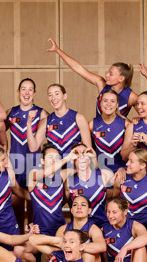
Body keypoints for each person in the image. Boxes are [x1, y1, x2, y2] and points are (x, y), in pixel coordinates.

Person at [47, 37, 137, 117]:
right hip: (97, 132)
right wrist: (57, 50)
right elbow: (79, 69)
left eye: (111, 74)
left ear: (121, 78)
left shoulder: (131, 97)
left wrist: (136, 120)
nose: (107, 75)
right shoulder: (102, 84)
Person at [7, 78, 48, 230]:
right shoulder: (11, 112)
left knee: (34, 208)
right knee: (16, 207)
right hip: (15, 164)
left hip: (34, 165)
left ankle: (34, 250)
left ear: (35, 93)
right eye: (23, 89)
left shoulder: (42, 112)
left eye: (30, 89)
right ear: (18, 92)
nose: (26, 93)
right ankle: (18, 243)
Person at [26, 83, 92, 158]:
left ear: (64, 96)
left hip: (73, 167)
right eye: (50, 95)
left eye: (57, 94)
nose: (53, 98)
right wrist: (28, 123)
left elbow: (89, 151)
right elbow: (33, 147)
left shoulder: (79, 118)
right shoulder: (46, 122)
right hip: (55, 166)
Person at [66, 143, 115, 229]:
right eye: (77, 154)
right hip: (81, 229)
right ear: (72, 159)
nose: (81, 156)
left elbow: (117, 196)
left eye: (85, 153)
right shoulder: (69, 182)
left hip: (103, 226)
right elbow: (70, 207)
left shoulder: (105, 174)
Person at [114, 149, 147, 230]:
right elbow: (113, 201)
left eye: (131, 161)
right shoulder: (121, 178)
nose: (127, 164)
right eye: (127, 161)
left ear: (143, 165)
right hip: (124, 228)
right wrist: (121, 169)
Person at [28, 144, 72, 236]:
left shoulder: (63, 174)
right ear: (42, 161)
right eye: (50, 157)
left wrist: (81, 152)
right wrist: (68, 158)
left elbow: (87, 168)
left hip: (59, 229)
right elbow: (46, 173)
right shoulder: (33, 173)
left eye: (57, 158)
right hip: (39, 230)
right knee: (19, 250)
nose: (54, 160)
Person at [55, 195, 106, 262]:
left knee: (90, 254)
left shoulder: (93, 228)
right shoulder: (63, 229)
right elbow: (55, 250)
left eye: (83, 205)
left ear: (89, 211)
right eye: (75, 205)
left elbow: (102, 246)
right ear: (71, 210)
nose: (79, 207)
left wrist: (75, 247)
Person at [90, 89, 129, 173]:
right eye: (105, 101)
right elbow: (87, 151)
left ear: (117, 104)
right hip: (100, 173)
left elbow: (132, 153)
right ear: (100, 103)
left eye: (112, 101)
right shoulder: (92, 124)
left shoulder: (126, 125)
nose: (108, 104)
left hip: (121, 172)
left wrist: (123, 169)